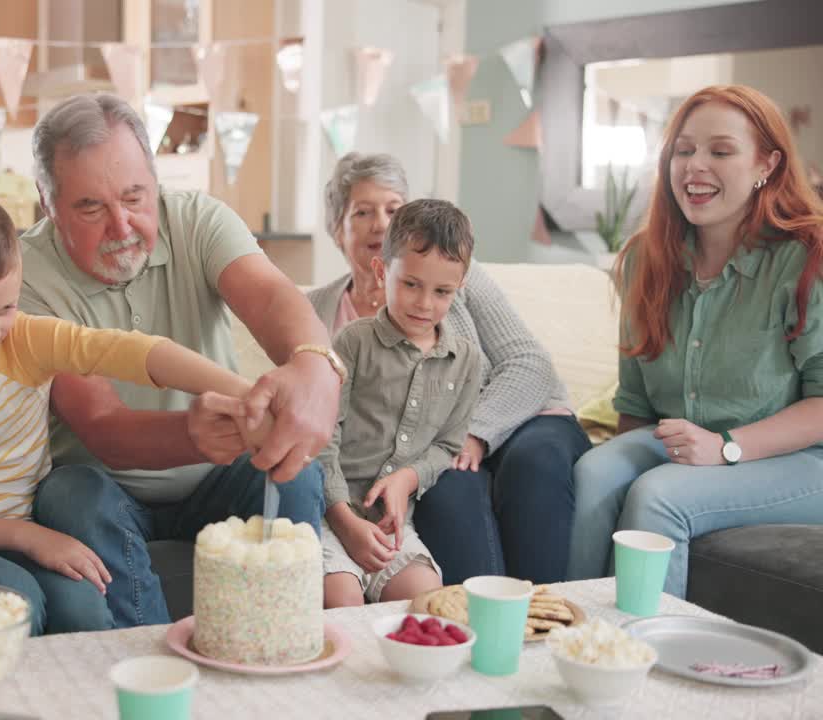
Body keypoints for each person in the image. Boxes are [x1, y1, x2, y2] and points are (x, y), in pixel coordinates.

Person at [17, 94, 341, 627]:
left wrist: (313, 364)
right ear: (48, 204)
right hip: (107, 486)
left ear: (155, 180)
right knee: (69, 493)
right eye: (91, 208)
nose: (121, 226)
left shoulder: (197, 219)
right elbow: (102, 426)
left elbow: (272, 297)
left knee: (297, 477)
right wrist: (191, 435)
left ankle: (276, 648)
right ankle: (150, 672)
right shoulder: (26, 275)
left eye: (135, 197)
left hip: (222, 474)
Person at [0, 189, 260, 635]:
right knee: (19, 602)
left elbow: (129, 352)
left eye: (7, 308)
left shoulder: (24, 340)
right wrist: (31, 539)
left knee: (84, 611)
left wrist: (246, 395)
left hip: (30, 527)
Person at [567, 85, 823, 598]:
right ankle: (570, 639)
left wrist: (726, 448)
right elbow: (635, 404)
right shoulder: (647, 259)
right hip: (686, 447)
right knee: (593, 472)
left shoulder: (805, 258)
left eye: (720, 151)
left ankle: (641, 660)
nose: (694, 166)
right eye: (683, 150)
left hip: (797, 460)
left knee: (660, 496)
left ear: (766, 165)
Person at [308, 153, 591, 584]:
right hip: (432, 454)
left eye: (393, 208)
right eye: (362, 212)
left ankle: (545, 617)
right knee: (446, 490)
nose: (380, 223)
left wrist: (475, 431)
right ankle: (480, 622)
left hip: (519, 418)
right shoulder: (318, 311)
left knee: (535, 462)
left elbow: (529, 363)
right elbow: (315, 411)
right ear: (336, 229)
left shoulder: (453, 274)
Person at [319, 199, 483, 607]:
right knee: (343, 604)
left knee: (428, 603)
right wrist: (345, 520)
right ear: (381, 272)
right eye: (411, 284)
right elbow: (323, 438)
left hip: (393, 529)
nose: (425, 304)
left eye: (442, 291)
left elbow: (447, 446)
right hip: (329, 516)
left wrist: (408, 478)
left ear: (459, 289)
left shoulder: (466, 362)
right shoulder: (352, 343)